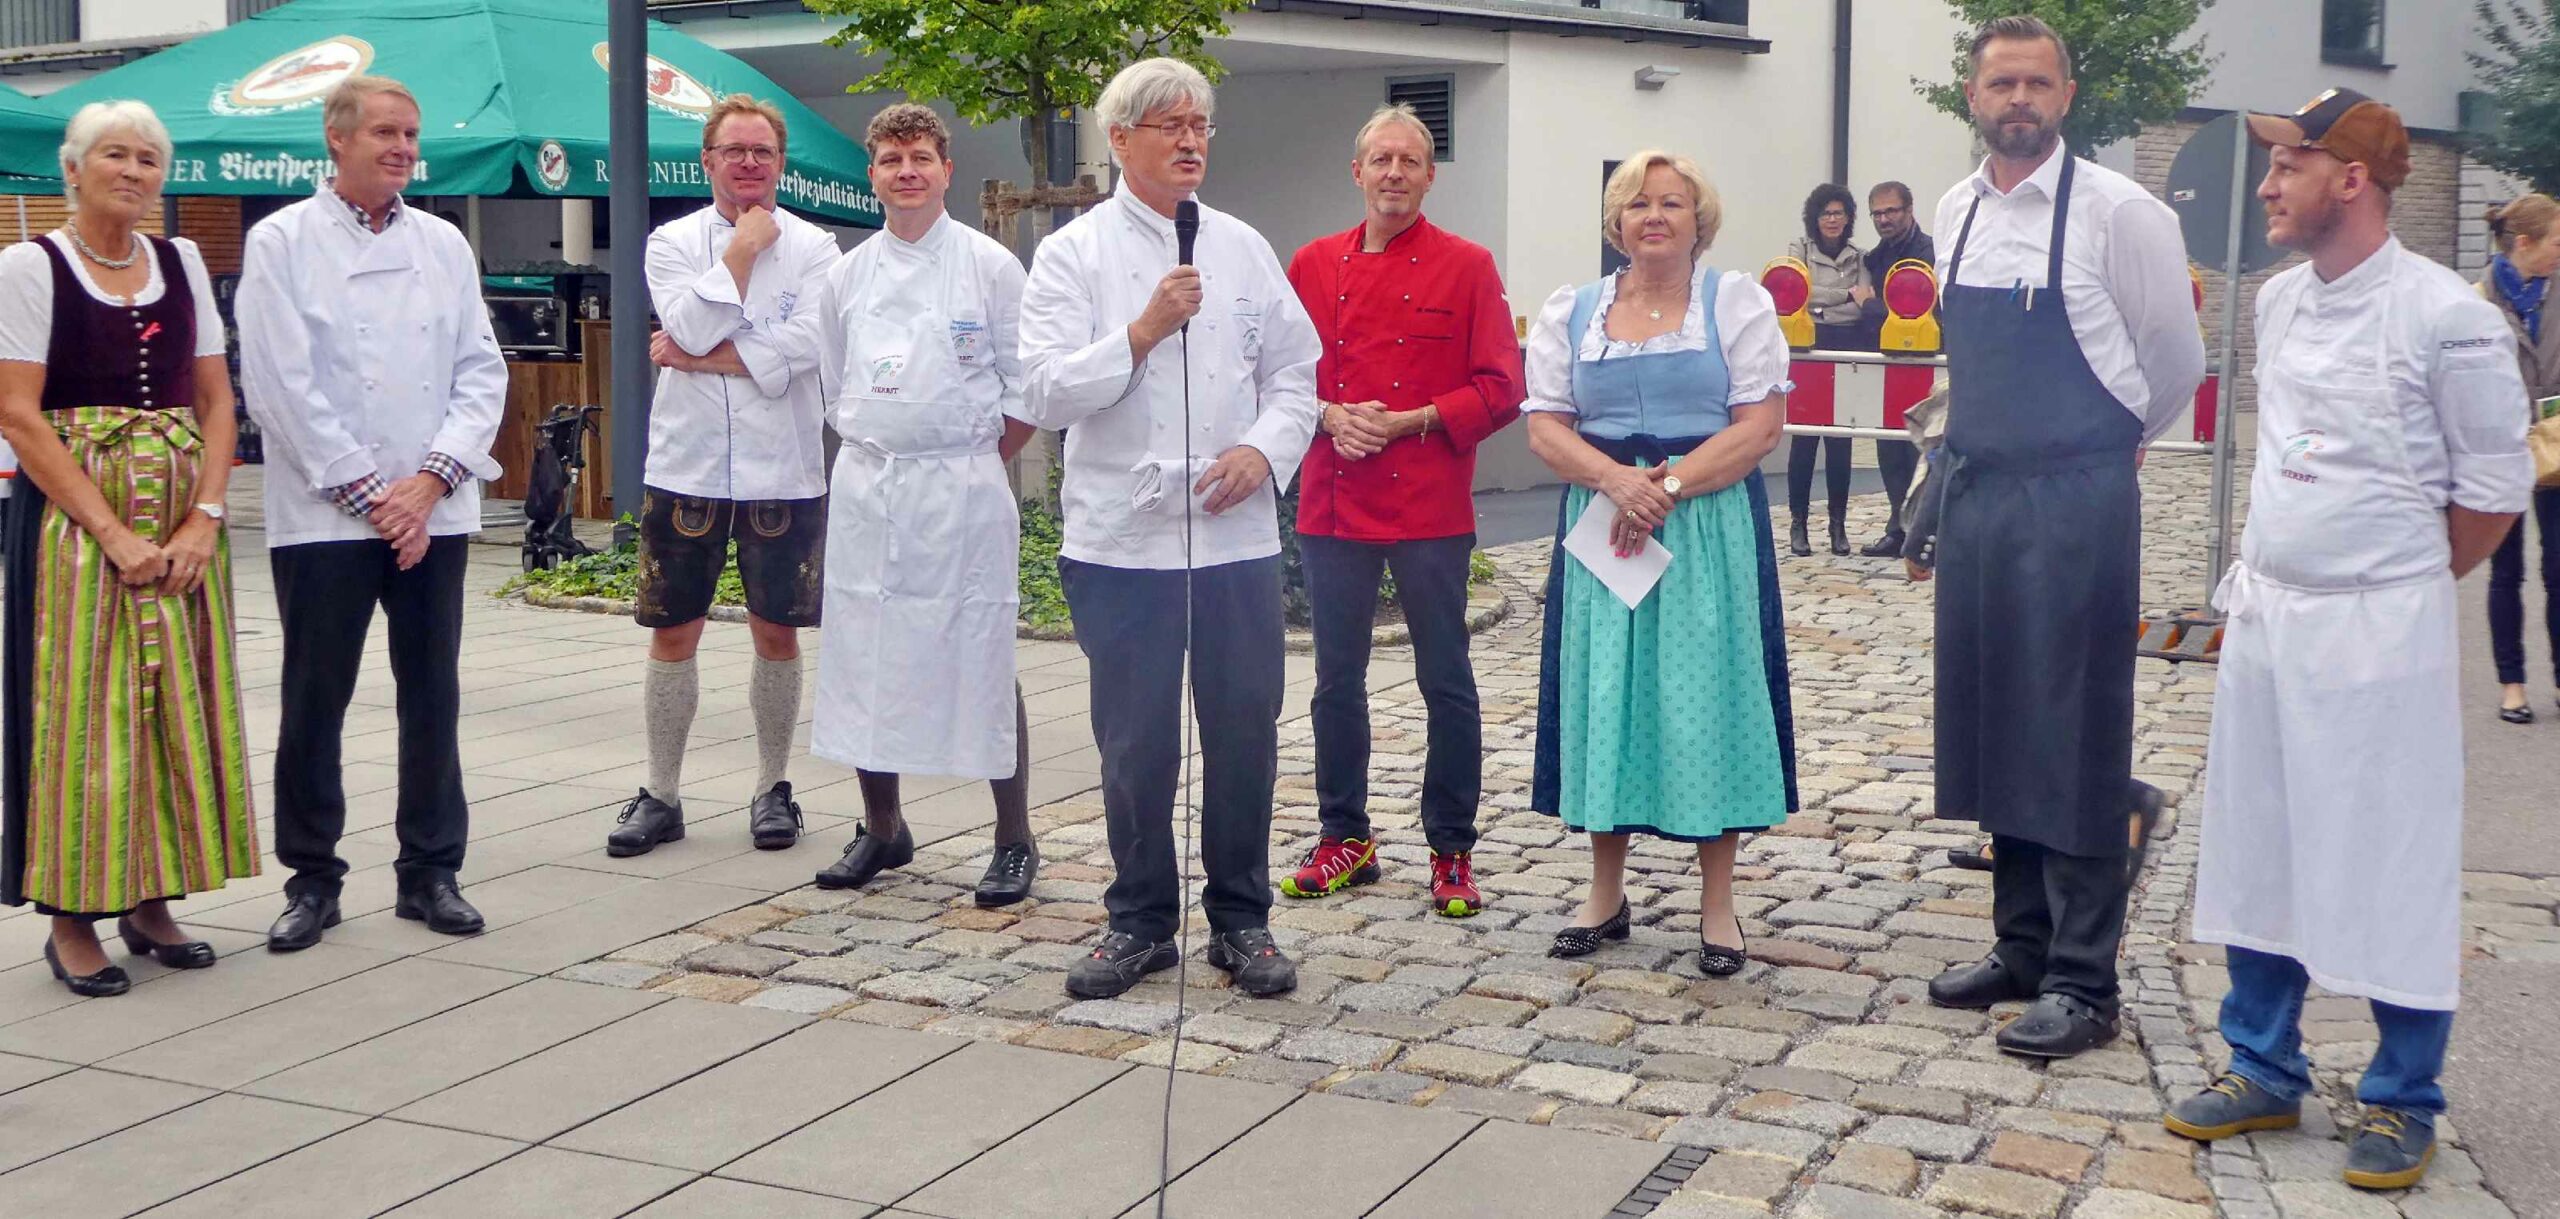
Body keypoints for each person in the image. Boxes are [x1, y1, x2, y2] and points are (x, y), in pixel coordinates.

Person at [2165, 88, 2534, 1191]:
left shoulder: (2447, 317)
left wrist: (2393, 582)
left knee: (2389, 848)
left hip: (2379, 626)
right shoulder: (2278, 303)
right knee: (2260, 835)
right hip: (2272, 612)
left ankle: (2401, 1092)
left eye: (2289, 166)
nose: (2267, 186)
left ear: (2352, 179)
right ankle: (2262, 1060)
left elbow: (2492, 489)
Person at [1910, 17, 2205, 1058]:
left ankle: (2085, 980)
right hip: (1982, 490)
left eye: (2038, 83)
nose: (2019, 100)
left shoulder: (2121, 213)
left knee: (2072, 728)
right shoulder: (1953, 209)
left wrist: (2103, 450)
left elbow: (2173, 360)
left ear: (2066, 96)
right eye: (2002, 83)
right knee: (1995, 716)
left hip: (2078, 493)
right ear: (1974, 95)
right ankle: (2023, 944)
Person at [1016, 58, 1321, 1000]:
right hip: (1124, 542)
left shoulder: (1243, 246)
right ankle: (1140, 921)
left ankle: (1241, 918)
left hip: (1233, 540)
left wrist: (1264, 450)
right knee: (1136, 742)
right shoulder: (1073, 253)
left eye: (1201, 126)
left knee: (1244, 732)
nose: (1192, 141)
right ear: (1120, 140)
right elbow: (1044, 390)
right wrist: (1142, 330)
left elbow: (1296, 375)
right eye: (1170, 126)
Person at [238, 75, 508, 949]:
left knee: (433, 694)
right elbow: (280, 385)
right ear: (337, 137)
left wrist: (427, 485)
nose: (402, 149)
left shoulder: (444, 243)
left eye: (411, 134)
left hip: (434, 506)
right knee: (315, 697)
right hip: (326, 514)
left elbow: (481, 370)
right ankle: (312, 877)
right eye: (386, 133)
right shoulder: (281, 242)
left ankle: (431, 869)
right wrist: (375, 498)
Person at [0, 100, 256, 996]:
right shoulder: (31, 266)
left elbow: (216, 400)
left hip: (181, 520)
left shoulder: (181, 260)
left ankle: (151, 900)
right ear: (73, 169)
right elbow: (18, 414)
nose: (135, 171)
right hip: (75, 528)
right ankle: (70, 920)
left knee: (173, 706)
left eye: (149, 159)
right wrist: (109, 531)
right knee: (80, 715)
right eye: (115, 154)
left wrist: (205, 516)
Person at [1525, 150, 1796, 977]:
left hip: (1705, 525)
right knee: (1606, 696)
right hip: (1604, 520)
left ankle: (1718, 904)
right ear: (1617, 222)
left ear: (1698, 219)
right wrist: (1615, 481)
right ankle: (1604, 893)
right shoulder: (1574, 310)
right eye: (1639, 204)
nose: (1654, 216)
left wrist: (1667, 487)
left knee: (1709, 698)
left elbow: (1759, 426)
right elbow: (1545, 427)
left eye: (1672, 203)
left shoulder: (1735, 303)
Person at [792, 103, 1044, 905]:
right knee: (865, 650)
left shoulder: (990, 266)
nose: (907, 171)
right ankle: (883, 825)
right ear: (872, 174)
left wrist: (969, 463)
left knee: (983, 649)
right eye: (892, 159)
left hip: (962, 487)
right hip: (872, 485)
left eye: (921, 158)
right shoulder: (846, 276)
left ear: (946, 170)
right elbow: (835, 381)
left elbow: (1025, 387)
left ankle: (1013, 837)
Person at [1279, 104, 1525, 917]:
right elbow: (1276, 373)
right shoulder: (1313, 262)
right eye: (1380, 159)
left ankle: (1451, 847)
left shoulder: (1468, 265)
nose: (1393, 172)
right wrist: (1328, 414)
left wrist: (1412, 420)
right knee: (1334, 681)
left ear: (1429, 176)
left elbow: (1503, 388)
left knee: (1446, 679)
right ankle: (1343, 835)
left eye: (1409, 161)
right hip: (1334, 497)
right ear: (1357, 172)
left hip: (1429, 501)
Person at [616, 94, 841, 860]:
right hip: (689, 463)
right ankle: (661, 792)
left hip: (785, 467)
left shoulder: (816, 249)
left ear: (781, 163)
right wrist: (741, 250)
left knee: (776, 628)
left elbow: (810, 346)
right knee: (673, 628)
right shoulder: (671, 242)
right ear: (708, 160)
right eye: (735, 151)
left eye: (763, 152)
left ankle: (773, 786)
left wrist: (701, 359)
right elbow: (687, 323)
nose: (749, 163)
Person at [2478, 193, 2560, 724]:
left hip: (2558, 447)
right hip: (2501, 451)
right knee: (2506, 572)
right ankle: (2512, 685)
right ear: (2524, 243)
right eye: (2558, 242)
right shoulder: (2476, 301)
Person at [1785, 183, 1870, 557]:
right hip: (1809, 347)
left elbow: (1862, 304)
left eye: (1838, 213)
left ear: (1848, 218)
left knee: (1840, 440)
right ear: (1814, 218)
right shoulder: (1799, 250)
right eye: (1825, 213)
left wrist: (1820, 303)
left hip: (1847, 347)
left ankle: (1838, 525)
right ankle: (1798, 523)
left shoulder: (1861, 257)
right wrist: (1842, 296)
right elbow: (1796, 293)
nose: (1832, 220)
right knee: (1803, 440)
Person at [1859, 181, 1936, 556]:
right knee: (1889, 448)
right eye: (1877, 213)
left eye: (1891, 211)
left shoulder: (1930, 254)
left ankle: (1924, 531)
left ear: (1909, 210)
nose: (1884, 219)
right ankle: (1897, 529)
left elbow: (1921, 310)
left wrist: (1870, 306)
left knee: (1921, 451)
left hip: (1925, 366)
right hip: (1886, 363)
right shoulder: (1874, 259)